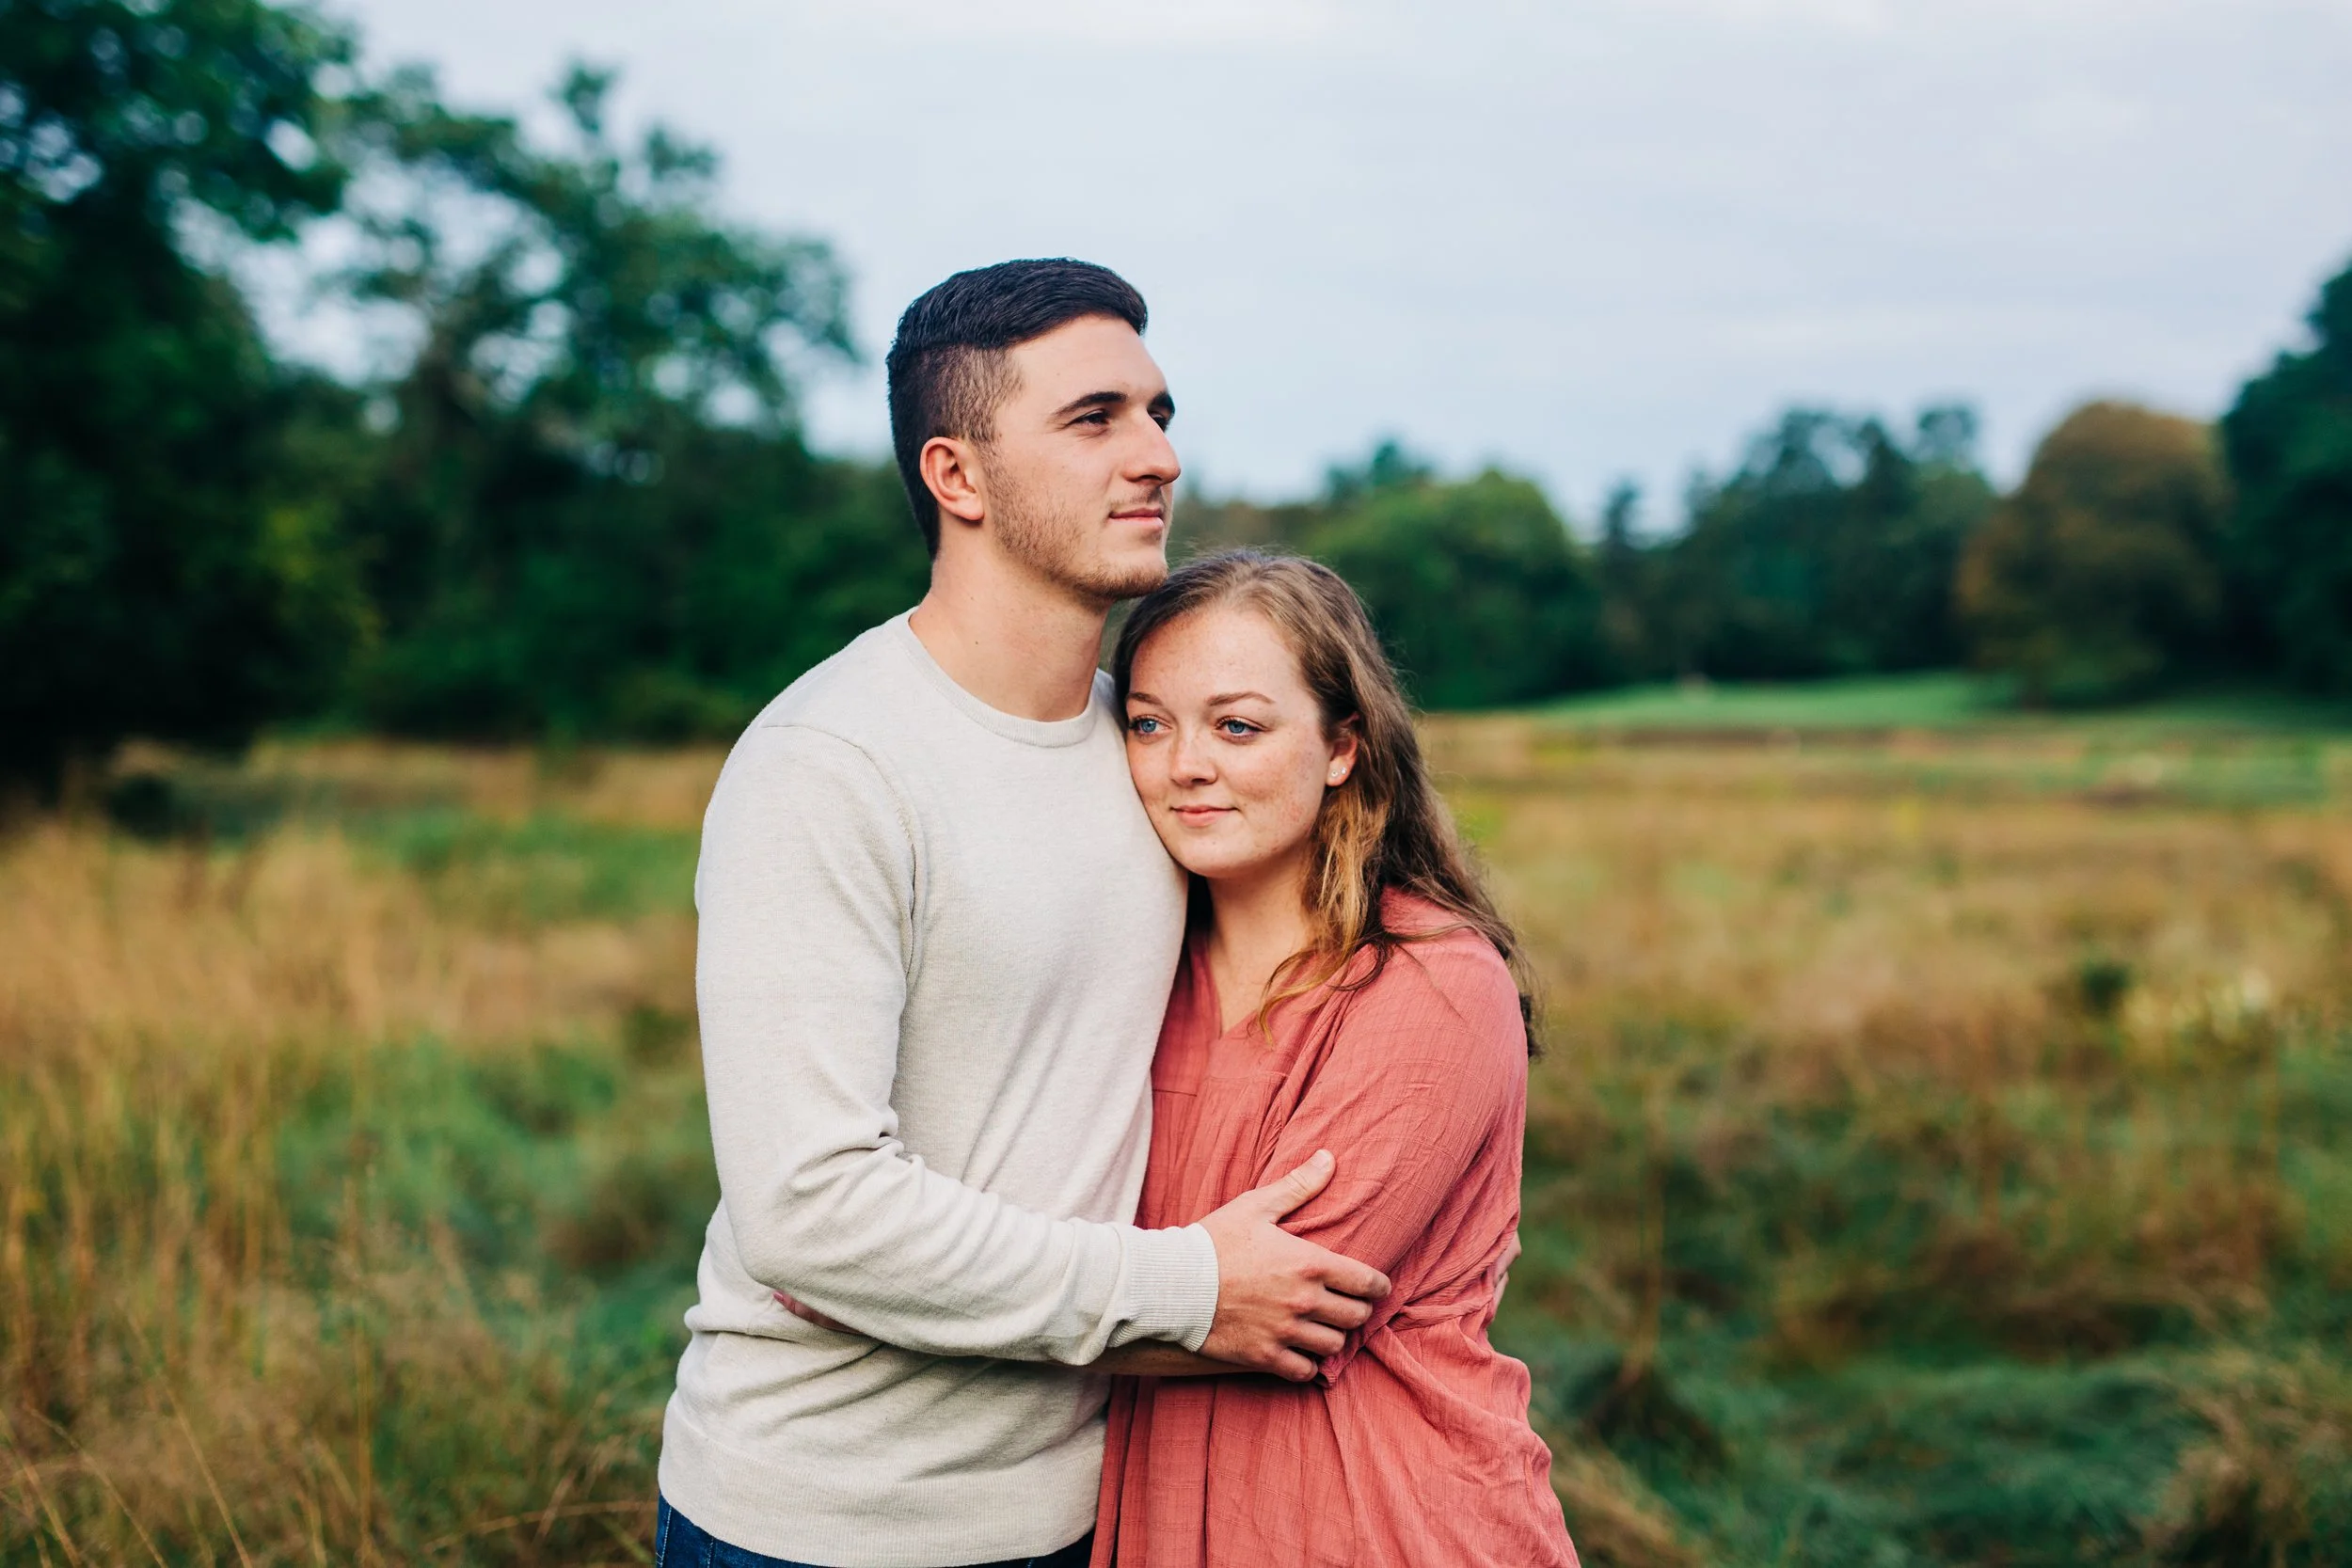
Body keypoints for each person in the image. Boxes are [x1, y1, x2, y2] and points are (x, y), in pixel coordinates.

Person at [656, 261, 1390, 1568]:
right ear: (959, 477)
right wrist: (1189, 1285)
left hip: (1079, 1507)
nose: (1158, 455)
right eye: (1095, 417)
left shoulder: (1153, 753)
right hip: (827, 1523)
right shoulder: (831, 763)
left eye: (1160, 413)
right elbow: (809, 1210)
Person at [1092, 550, 1581, 1567]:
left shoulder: (1429, 981)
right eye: (1148, 721)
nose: (1185, 763)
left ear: (1340, 747)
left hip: (1382, 1519)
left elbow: (1278, 1314)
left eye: (1238, 725)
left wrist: (909, 1301)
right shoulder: (1123, 978)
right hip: (1157, 1518)